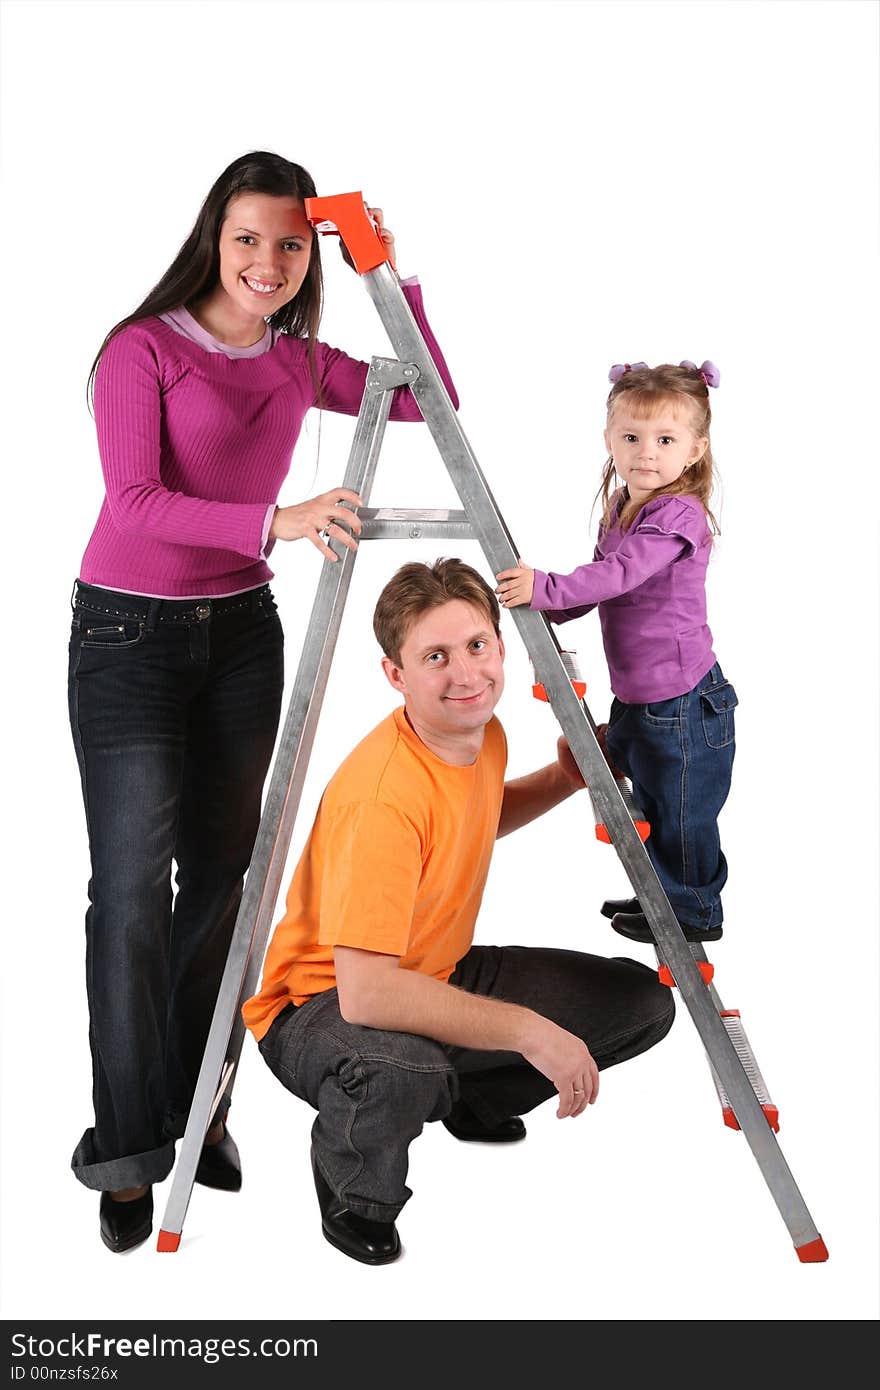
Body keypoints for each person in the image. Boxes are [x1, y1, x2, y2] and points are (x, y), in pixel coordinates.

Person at [68, 150, 459, 1255]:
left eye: (292, 244)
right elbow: (134, 501)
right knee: (132, 895)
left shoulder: (297, 362)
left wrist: (390, 267)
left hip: (241, 640)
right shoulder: (140, 350)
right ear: (212, 237)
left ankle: (202, 1117)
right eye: (249, 238)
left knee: (224, 893)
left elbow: (435, 399)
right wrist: (276, 522)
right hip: (127, 637)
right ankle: (131, 1148)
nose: (269, 261)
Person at [242, 558, 675, 1265]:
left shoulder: (480, 732)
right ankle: (355, 1187)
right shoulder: (382, 796)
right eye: (434, 657)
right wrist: (529, 1031)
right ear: (396, 675)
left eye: (477, 646)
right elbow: (368, 991)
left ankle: (470, 1097)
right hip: (322, 1008)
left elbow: (473, 818)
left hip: (434, 974)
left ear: (502, 648)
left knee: (641, 1004)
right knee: (400, 1065)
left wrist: (567, 777)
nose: (466, 673)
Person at [496, 361, 737, 946]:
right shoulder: (623, 508)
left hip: (682, 699)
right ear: (609, 440)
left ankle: (696, 907)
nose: (646, 453)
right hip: (637, 692)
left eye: (665, 440)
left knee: (683, 813)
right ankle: (663, 892)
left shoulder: (678, 515)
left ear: (695, 449)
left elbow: (622, 575)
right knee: (652, 800)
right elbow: (604, 579)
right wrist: (550, 608)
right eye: (631, 437)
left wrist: (548, 588)